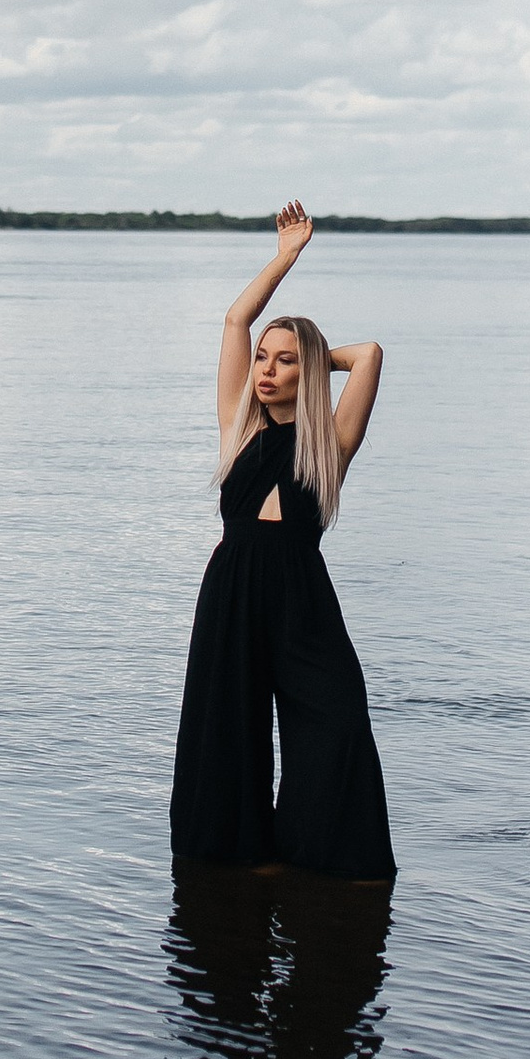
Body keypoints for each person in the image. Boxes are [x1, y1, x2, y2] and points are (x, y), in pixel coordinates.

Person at [167, 201, 396, 883]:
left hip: (302, 597)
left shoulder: (331, 443)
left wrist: (320, 357)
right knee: (226, 727)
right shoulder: (241, 432)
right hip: (233, 590)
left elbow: (370, 354)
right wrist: (287, 256)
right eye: (263, 359)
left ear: (311, 369)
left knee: (335, 720)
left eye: (285, 360)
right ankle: (236, 854)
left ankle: (322, 856)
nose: (265, 369)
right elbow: (236, 320)